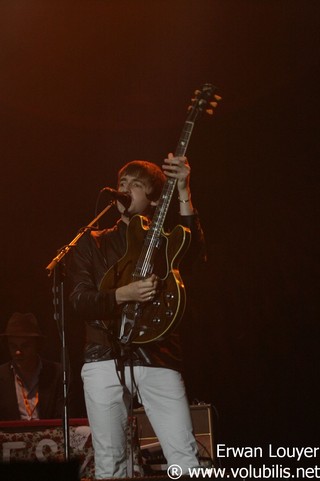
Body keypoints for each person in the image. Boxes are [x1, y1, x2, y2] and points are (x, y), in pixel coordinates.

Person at [68, 153, 206, 478]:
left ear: (155, 198)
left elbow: (196, 254)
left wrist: (184, 190)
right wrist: (123, 294)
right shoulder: (92, 242)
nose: (125, 189)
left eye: (136, 185)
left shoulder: (165, 243)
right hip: (103, 355)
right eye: (122, 184)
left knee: (185, 457)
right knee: (111, 463)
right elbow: (78, 301)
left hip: (157, 354)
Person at [0, 312, 64, 420]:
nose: (18, 352)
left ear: (37, 345)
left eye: (24, 346)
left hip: (48, 435)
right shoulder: (2, 375)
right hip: (12, 435)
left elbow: (62, 416)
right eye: (13, 346)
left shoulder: (57, 372)